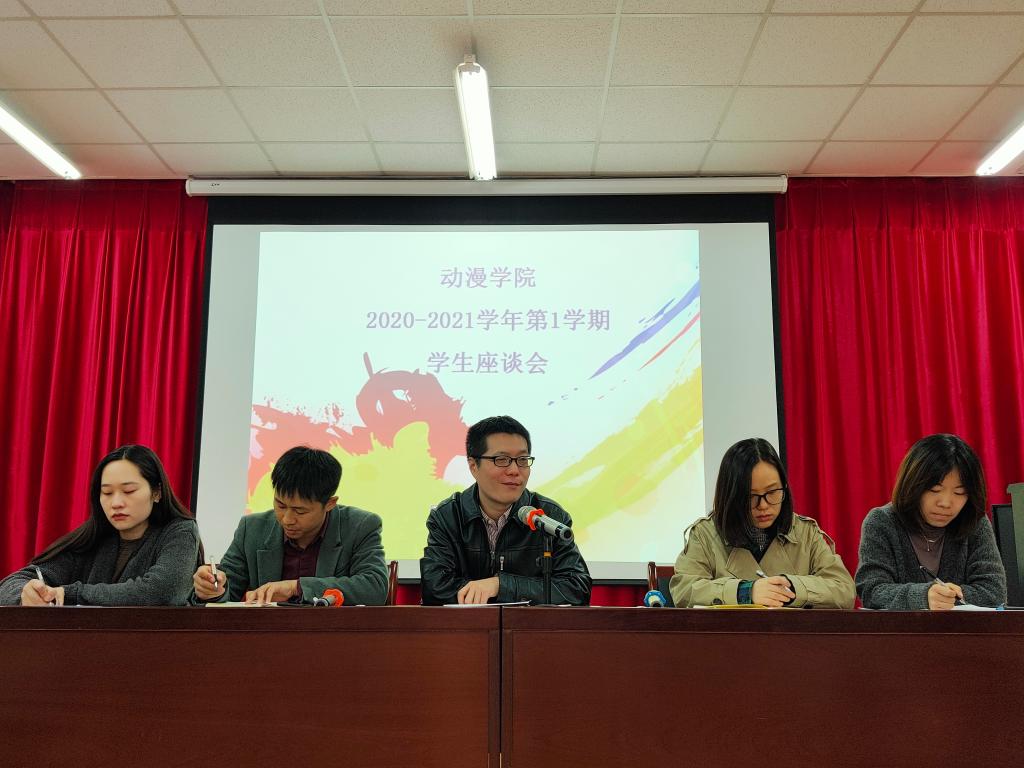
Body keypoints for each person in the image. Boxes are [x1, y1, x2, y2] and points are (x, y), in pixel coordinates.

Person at [0, 444, 201, 606]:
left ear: (157, 492)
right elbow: (9, 585)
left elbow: (162, 592)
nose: (116, 503)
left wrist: (70, 594)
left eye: (129, 491)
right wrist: (26, 594)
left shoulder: (180, 531)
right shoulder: (93, 538)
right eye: (107, 493)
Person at [420, 415, 591, 605]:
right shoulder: (448, 516)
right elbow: (435, 589)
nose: (514, 470)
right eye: (501, 459)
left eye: (523, 460)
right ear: (473, 466)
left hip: (527, 624)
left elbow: (577, 589)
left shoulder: (549, 517)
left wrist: (500, 586)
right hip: (466, 624)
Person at [670, 438, 855, 608]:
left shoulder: (806, 533)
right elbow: (684, 591)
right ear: (731, 496)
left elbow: (844, 590)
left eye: (772, 492)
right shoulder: (704, 535)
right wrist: (746, 592)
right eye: (751, 496)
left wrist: (791, 588)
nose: (764, 506)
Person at [193, 446, 387, 605]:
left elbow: (374, 587)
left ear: (330, 503)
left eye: (300, 511)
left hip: (333, 636)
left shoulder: (360, 526)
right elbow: (228, 588)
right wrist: (213, 589)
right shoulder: (252, 529)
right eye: (280, 505)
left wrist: (296, 587)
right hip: (268, 636)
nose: (286, 519)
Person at [856, 433, 1006, 610]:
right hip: (900, 628)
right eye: (935, 490)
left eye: (959, 493)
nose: (946, 503)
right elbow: (871, 590)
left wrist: (948, 597)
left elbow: (995, 592)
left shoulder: (974, 521)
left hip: (965, 628)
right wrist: (923, 596)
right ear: (912, 485)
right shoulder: (882, 522)